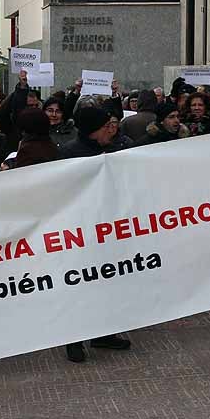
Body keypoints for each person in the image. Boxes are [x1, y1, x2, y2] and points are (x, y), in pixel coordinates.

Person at [54, 106, 132, 362]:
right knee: (79, 286)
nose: (111, 130)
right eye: (105, 126)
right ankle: (73, 339)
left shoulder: (109, 150)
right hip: (79, 233)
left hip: (106, 229)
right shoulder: (68, 155)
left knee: (107, 282)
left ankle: (103, 332)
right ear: (93, 130)